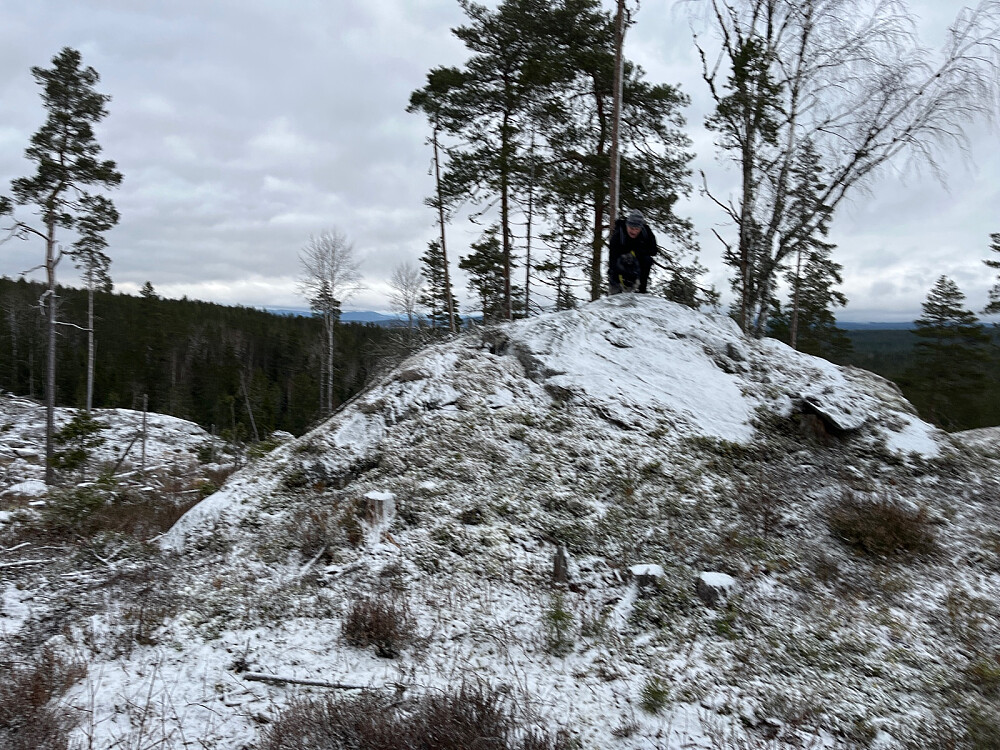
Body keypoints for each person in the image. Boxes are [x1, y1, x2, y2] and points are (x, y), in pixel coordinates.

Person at [608, 209, 658, 294]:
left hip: (638, 264)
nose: (634, 231)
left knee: (647, 260)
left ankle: (641, 290)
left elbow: (653, 251)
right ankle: (615, 291)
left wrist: (636, 252)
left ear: (641, 228)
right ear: (627, 225)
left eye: (637, 229)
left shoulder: (646, 232)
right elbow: (612, 257)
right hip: (620, 263)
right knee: (619, 265)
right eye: (631, 228)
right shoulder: (619, 234)